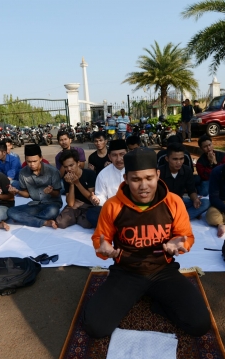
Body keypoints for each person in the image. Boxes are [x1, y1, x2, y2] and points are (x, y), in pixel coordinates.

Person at [82, 147, 211, 339]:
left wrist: (180, 243)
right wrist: (104, 250)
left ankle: (157, 301)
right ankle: (138, 294)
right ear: (126, 179)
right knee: (95, 327)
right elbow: (101, 241)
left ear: (158, 175)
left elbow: (186, 236)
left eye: (149, 178)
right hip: (126, 271)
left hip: (163, 271)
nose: (144, 186)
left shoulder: (174, 202)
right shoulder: (112, 206)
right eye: (136, 179)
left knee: (200, 325)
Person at [7, 144, 63, 228]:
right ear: (25, 160)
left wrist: (51, 192)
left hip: (52, 204)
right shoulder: (22, 173)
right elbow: (27, 194)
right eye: (29, 162)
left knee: (53, 211)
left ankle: (24, 219)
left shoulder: (52, 171)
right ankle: (45, 222)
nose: (32, 164)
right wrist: (17, 191)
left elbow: (57, 194)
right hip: (35, 204)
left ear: (41, 158)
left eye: (34, 161)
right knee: (11, 212)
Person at [159, 143, 209, 219]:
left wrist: (195, 199)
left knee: (205, 203)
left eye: (181, 159)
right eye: (175, 159)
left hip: (180, 201)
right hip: (163, 204)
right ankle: (179, 218)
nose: (179, 162)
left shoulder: (187, 170)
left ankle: (177, 218)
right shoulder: (159, 172)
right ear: (167, 159)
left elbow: (191, 190)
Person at [86, 140, 128, 228]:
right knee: (92, 213)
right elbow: (102, 196)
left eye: (122, 154)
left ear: (127, 154)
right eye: (114, 155)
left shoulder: (135, 170)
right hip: (112, 210)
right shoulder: (103, 174)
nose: (119, 159)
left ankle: (112, 228)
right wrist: (97, 200)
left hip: (131, 209)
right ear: (109, 157)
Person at [55, 150, 96, 229]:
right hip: (75, 204)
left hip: (88, 205)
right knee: (61, 223)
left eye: (71, 165)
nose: (69, 169)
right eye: (66, 167)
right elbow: (70, 203)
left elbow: (91, 198)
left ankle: (77, 217)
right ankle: (77, 216)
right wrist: (71, 184)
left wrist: (77, 183)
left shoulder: (89, 174)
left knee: (87, 224)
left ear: (78, 163)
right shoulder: (66, 177)